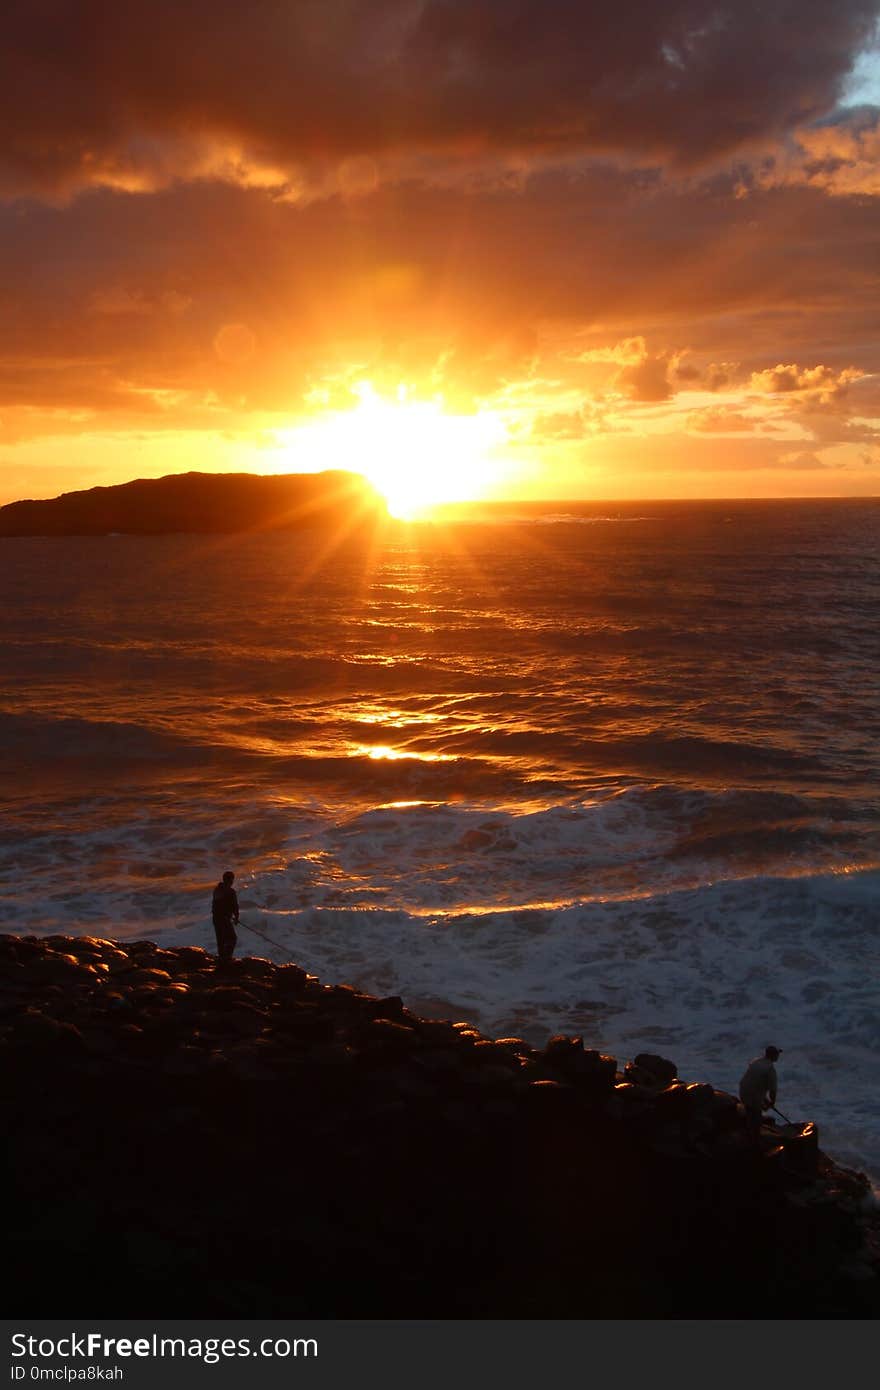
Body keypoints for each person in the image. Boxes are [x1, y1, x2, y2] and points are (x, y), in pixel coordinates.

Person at [739, 1045, 782, 1138]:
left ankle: (749, 1132)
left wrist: (765, 1100)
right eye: (777, 1054)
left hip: (743, 1090)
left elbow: (754, 1084)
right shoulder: (770, 1069)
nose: (778, 1056)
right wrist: (772, 1103)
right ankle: (754, 1138)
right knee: (756, 1116)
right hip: (753, 1095)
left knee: (750, 1112)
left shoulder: (756, 1061)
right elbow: (772, 1091)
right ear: (773, 1056)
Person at [211, 870, 239, 963]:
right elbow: (235, 906)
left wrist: (233, 916)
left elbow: (216, 905)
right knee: (232, 938)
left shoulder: (217, 890)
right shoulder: (230, 891)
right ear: (230, 880)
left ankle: (223, 958)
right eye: (232, 879)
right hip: (223, 919)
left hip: (217, 919)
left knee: (221, 940)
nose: (232, 882)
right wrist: (236, 917)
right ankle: (226, 958)